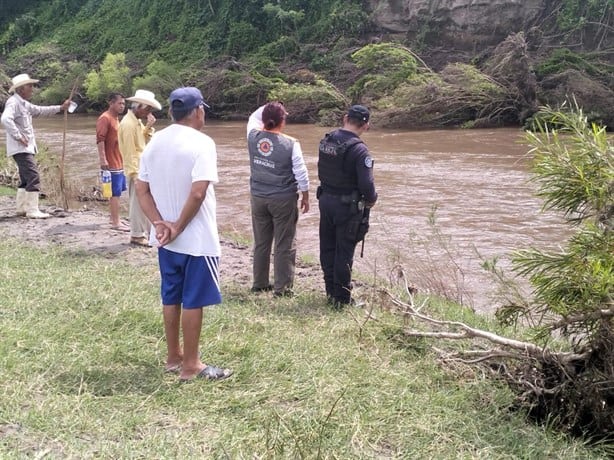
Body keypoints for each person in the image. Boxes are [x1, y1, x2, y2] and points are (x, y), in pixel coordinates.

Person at [136, 87, 232, 382]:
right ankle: (191, 366)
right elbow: (199, 191)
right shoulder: (203, 143)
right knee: (193, 300)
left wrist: (159, 223)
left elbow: (141, 189)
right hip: (197, 239)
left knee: (171, 296)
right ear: (198, 111)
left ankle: (173, 356)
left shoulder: (155, 141)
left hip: (166, 240)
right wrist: (178, 225)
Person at [246, 102, 310, 297]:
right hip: (283, 199)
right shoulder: (290, 143)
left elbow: (252, 117)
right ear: (283, 121)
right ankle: (282, 289)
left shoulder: (252, 136)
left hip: (258, 197)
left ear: (264, 119)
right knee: (284, 243)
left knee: (261, 242)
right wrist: (305, 195)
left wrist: (270, 106)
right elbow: (301, 172)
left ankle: (260, 283)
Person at [317, 105, 377, 308]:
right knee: (344, 252)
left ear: (345, 118)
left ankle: (330, 292)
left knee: (327, 248)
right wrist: (372, 199)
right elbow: (367, 186)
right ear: (366, 125)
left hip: (325, 201)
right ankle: (342, 300)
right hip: (347, 207)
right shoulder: (359, 150)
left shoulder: (327, 140)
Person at [1, 73, 72, 218]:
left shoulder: (24, 103)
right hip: (21, 147)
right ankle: (32, 210)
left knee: (26, 178)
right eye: (30, 86)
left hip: (24, 147)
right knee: (33, 176)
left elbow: (40, 110)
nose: (32, 88)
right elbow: (6, 119)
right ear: (21, 89)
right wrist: (19, 136)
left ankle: (22, 208)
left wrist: (60, 108)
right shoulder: (13, 102)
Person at [118, 89, 161, 247]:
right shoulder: (129, 124)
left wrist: (148, 127)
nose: (148, 112)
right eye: (147, 108)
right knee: (137, 203)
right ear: (139, 106)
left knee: (143, 201)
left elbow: (141, 143)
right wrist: (136, 175)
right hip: (137, 170)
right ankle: (137, 234)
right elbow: (130, 153)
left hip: (141, 168)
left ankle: (143, 232)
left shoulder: (135, 122)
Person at [96, 93, 127, 231]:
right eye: (119, 103)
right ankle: (116, 222)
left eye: (123, 104)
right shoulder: (105, 118)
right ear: (111, 103)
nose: (122, 106)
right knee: (114, 193)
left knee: (117, 191)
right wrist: (103, 159)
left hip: (118, 159)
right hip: (110, 161)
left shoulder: (116, 119)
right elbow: (100, 139)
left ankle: (113, 218)